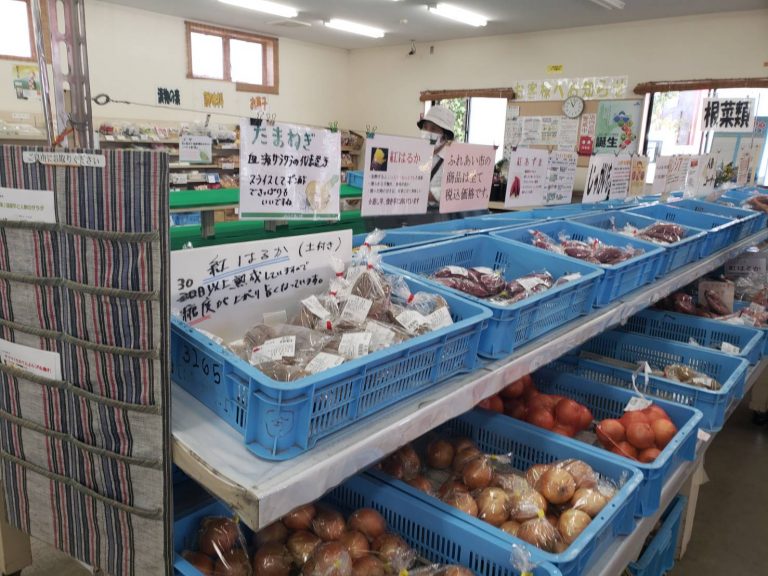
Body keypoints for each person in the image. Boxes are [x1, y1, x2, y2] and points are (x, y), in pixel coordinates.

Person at [417, 104, 455, 205]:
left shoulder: (453, 159)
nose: (427, 132)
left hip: (439, 213)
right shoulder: (416, 154)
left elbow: (456, 189)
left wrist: (425, 194)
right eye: (425, 127)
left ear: (445, 135)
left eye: (433, 129)